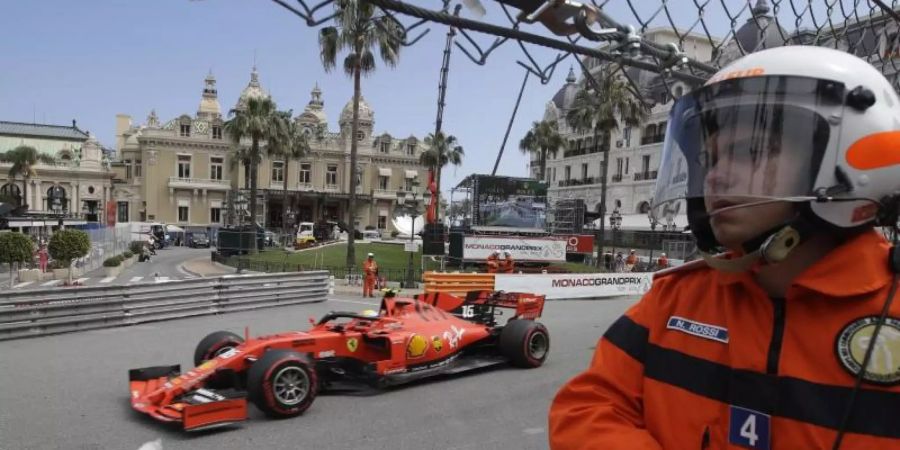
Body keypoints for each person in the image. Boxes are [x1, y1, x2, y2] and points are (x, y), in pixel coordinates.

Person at [549, 46, 900, 449]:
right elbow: (586, 407)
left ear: (844, 159)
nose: (715, 177)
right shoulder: (677, 298)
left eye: (751, 151)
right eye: (709, 159)